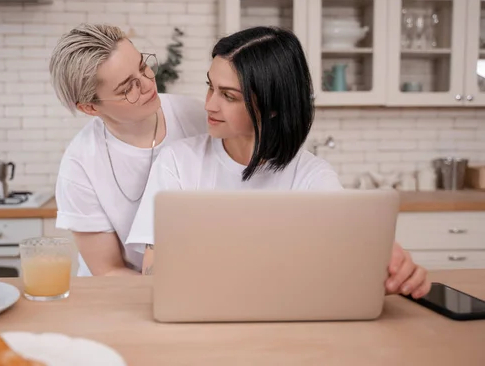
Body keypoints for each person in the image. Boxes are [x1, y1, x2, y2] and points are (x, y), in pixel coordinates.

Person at [126, 26, 430, 299]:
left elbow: (354, 250)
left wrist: (389, 264)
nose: (209, 104)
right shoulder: (178, 162)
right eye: (210, 87)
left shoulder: (311, 176)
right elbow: (153, 271)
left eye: (228, 96)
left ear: (272, 107)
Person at [49, 24, 207, 276]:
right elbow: (108, 270)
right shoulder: (80, 163)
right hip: (119, 291)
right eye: (127, 88)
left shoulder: (197, 117)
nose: (146, 83)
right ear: (90, 108)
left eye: (143, 66)